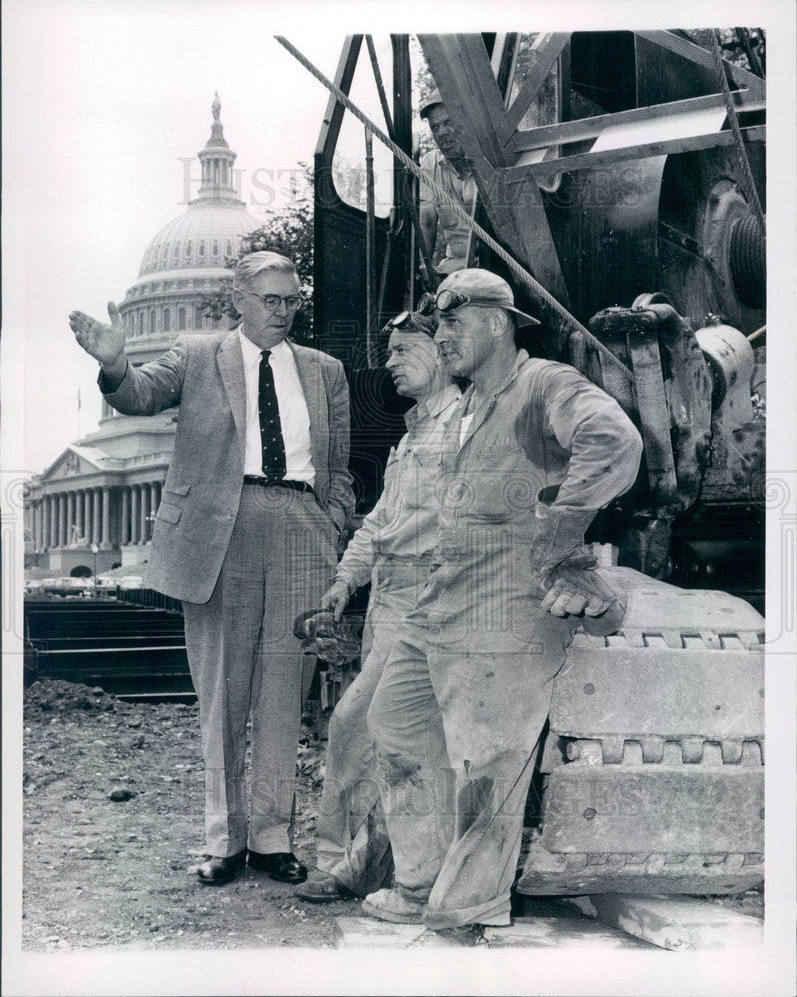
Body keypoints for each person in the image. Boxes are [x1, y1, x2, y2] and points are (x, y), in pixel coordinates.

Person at [362, 269, 644, 929]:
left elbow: (615, 441)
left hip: (507, 612)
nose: (444, 338)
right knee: (395, 726)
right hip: (441, 607)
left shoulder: (544, 385)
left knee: (486, 767)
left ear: (495, 323)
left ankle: (467, 909)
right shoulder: (464, 406)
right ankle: (417, 882)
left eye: (454, 324)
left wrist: (560, 529)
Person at [68, 251, 355, 887]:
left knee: (287, 688)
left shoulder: (324, 370)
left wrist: (332, 520)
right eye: (271, 300)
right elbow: (140, 395)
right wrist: (115, 362)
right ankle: (223, 839)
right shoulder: (198, 354)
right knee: (223, 688)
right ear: (240, 300)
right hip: (221, 528)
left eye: (291, 301)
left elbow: (338, 460)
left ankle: (272, 836)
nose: (283, 312)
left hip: (302, 525)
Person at [295, 303, 461, 903]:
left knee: (359, 727)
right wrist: (344, 584)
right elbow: (380, 523)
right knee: (372, 740)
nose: (388, 362)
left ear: (441, 351)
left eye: (400, 350)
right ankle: (369, 866)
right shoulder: (412, 432)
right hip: (388, 595)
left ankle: (348, 865)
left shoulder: (465, 427)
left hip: (426, 598)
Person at [418, 88, 478, 276]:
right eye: (435, 127)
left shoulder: (485, 160)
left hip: (491, 264)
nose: (442, 132)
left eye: (448, 123)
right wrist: (425, 269)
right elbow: (426, 222)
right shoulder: (430, 164)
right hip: (455, 266)